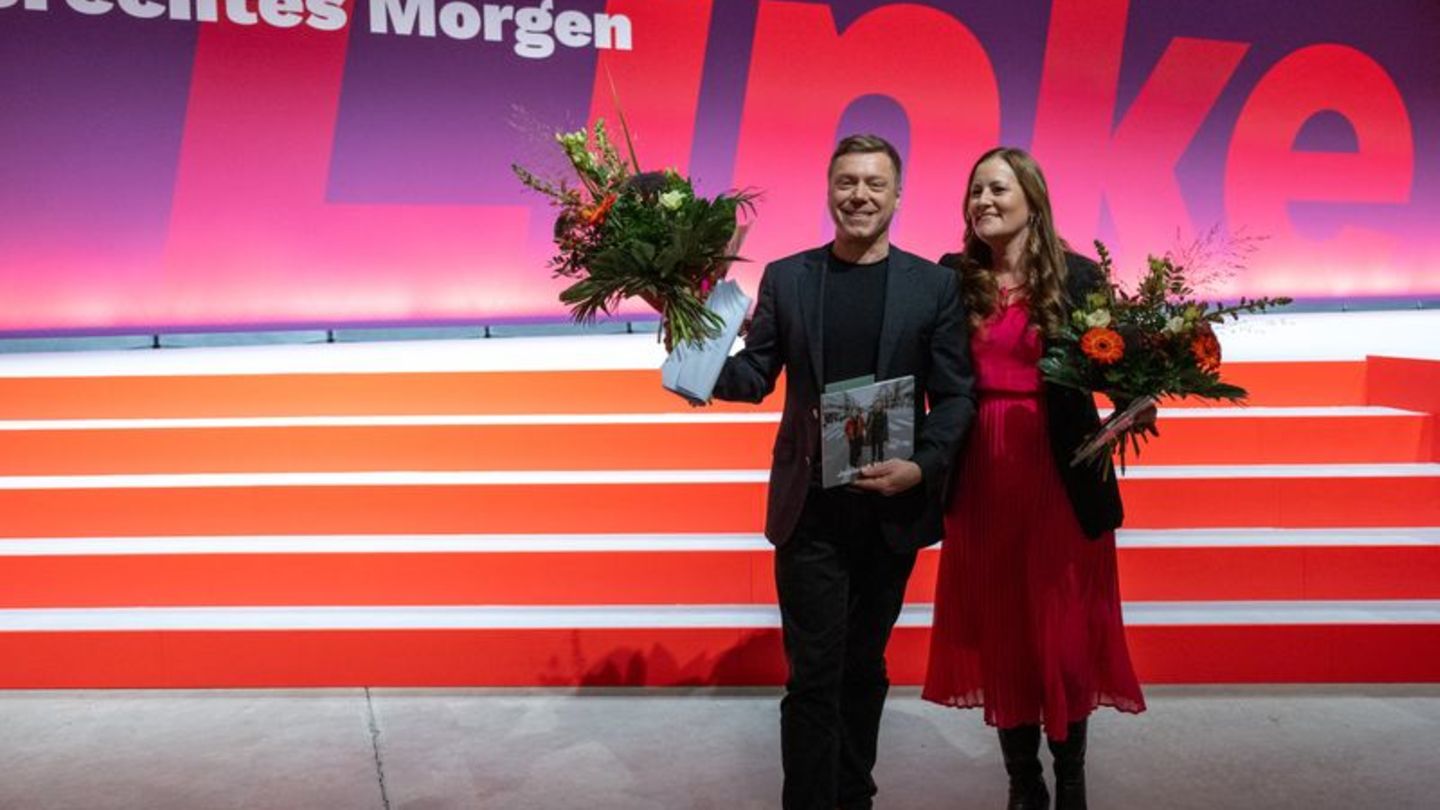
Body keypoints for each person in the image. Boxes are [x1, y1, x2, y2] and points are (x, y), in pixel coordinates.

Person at [710, 134, 975, 810]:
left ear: (896, 195)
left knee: (864, 667)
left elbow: (954, 398)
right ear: (829, 190)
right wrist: (695, 347)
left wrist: (920, 469)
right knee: (813, 675)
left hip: (889, 509)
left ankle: (854, 796)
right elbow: (754, 374)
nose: (859, 195)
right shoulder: (790, 276)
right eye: (847, 182)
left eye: (874, 184)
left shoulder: (935, 286)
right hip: (811, 510)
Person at [923, 147, 1149, 810]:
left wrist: (1142, 393)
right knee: (1005, 632)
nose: (983, 202)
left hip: (1062, 474)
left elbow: (1113, 366)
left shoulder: (1078, 278)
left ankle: (1071, 777)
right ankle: (1024, 785)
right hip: (982, 477)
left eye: (997, 190)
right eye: (976, 193)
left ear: (1032, 200)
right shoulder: (951, 278)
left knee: (1064, 630)